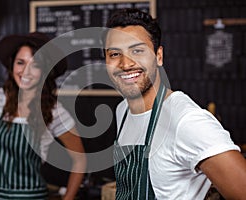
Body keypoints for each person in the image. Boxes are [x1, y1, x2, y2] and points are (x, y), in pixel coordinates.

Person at [103, 8, 246, 199]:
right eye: (114, 54)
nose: (126, 63)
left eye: (137, 51)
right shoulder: (122, 111)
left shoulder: (186, 120)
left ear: (158, 56)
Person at [0, 32, 86, 200]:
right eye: (21, 63)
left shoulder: (55, 111)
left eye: (35, 65)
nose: (26, 71)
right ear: (12, 67)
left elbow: (80, 160)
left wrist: (68, 198)